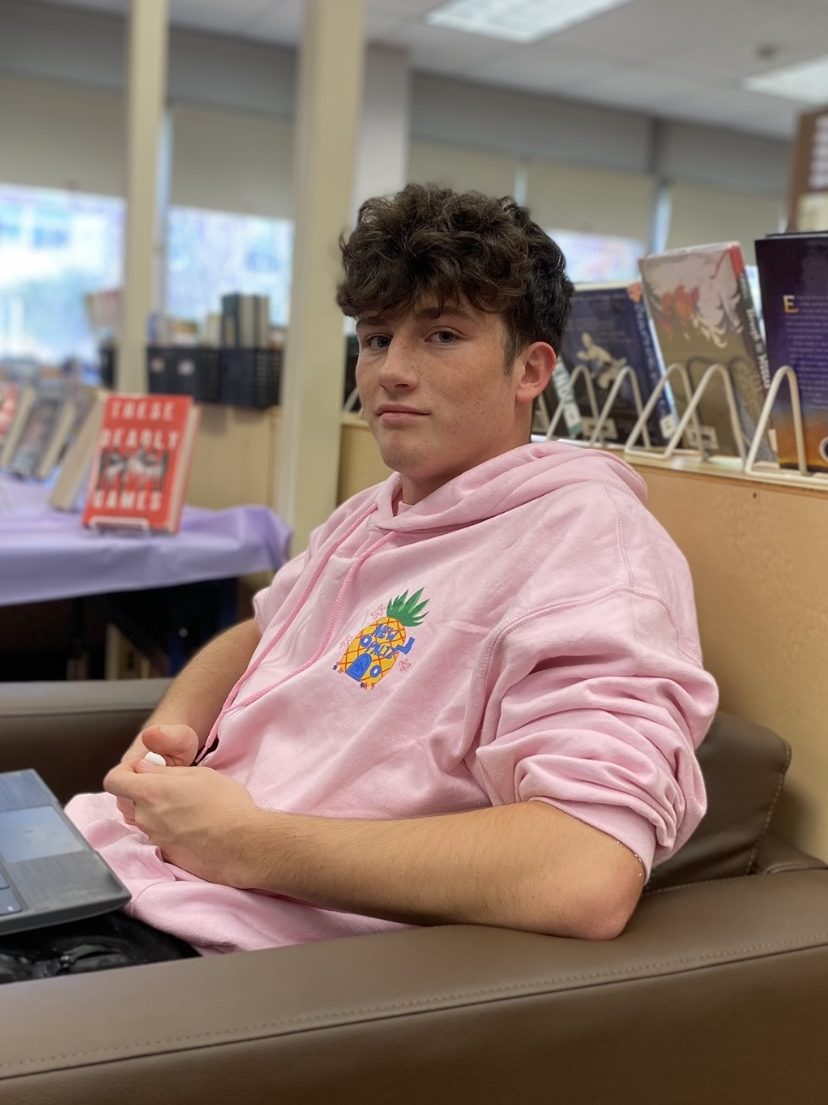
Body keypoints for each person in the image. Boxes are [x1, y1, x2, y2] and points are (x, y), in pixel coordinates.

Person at [2, 185, 718, 978]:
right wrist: (166, 738)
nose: (392, 372)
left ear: (530, 370)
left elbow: (584, 868)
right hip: (117, 867)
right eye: (376, 338)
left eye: (442, 335)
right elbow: (262, 631)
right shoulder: (375, 512)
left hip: (204, 945)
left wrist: (246, 843)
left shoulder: (587, 544)